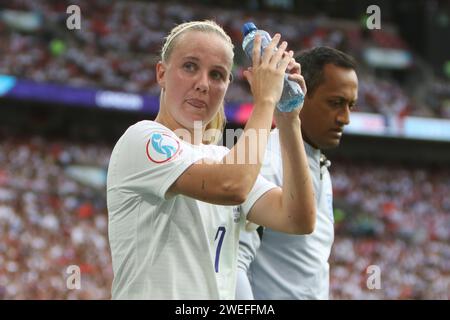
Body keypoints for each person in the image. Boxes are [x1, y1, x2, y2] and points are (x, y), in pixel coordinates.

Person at [107, 20, 316, 300]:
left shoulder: (222, 158)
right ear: (161, 73)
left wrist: (289, 120)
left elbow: (298, 218)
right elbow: (232, 186)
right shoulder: (143, 138)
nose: (203, 84)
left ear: (228, 85)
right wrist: (265, 100)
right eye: (190, 66)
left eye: (217, 75)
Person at [236, 46, 358, 300]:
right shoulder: (268, 162)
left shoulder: (317, 160)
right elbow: (235, 263)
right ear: (299, 93)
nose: (345, 118)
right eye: (335, 103)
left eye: (351, 105)